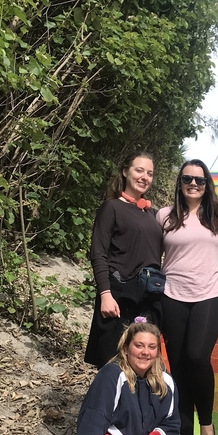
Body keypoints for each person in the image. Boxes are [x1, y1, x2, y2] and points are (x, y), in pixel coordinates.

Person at [156, 160, 218, 435]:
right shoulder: (164, 216)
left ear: (207, 183)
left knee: (197, 356)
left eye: (199, 180)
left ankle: (207, 426)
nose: (194, 184)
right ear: (180, 182)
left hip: (210, 293)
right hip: (172, 294)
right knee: (178, 364)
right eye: (187, 178)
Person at [84, 152, 163, 369]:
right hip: (118, 295)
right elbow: (98, 252)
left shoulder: (153, 214)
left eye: (149, 173)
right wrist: (105, 294)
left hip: (148, 297)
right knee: (112, 363)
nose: (144, 177)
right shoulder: (112, 207)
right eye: (139, 170)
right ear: (125, 171)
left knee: (143, 365)